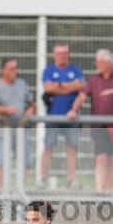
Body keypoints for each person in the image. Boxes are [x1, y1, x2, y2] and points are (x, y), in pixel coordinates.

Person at [70, 49, 113, 192]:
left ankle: (108, 191)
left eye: (99, 62)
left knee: (112, 159)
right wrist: (73, 110)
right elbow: (82, 96)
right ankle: (99, 191)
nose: (97, 64)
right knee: (101, 157)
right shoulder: (93, 80)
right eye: (97, 62)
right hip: (99, 125)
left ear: (108, 63)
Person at [39, 44, 84, 188]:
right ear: (54, 55)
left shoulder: (75, 70)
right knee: (48, 147)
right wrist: (69, 86)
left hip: (72, 116)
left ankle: (71, 180)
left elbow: (80, 86)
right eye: (60, 53)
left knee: (72, 147)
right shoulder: (49, 70)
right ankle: (42, 179)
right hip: (53, 116)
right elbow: (48, 88)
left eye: (65, 53)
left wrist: (59, 86)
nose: (63, 56)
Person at [0, 58, 35, 188]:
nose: (15, 71)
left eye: (16, 68)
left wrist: (30, 111)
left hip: (21, 128)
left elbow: (32, 104)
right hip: (3, 129)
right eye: (12, 68)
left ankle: (18, 193)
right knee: (1, 162)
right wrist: (7, 110)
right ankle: (3, 196)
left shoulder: (22, 84)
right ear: (4, 70)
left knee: (25, 162)